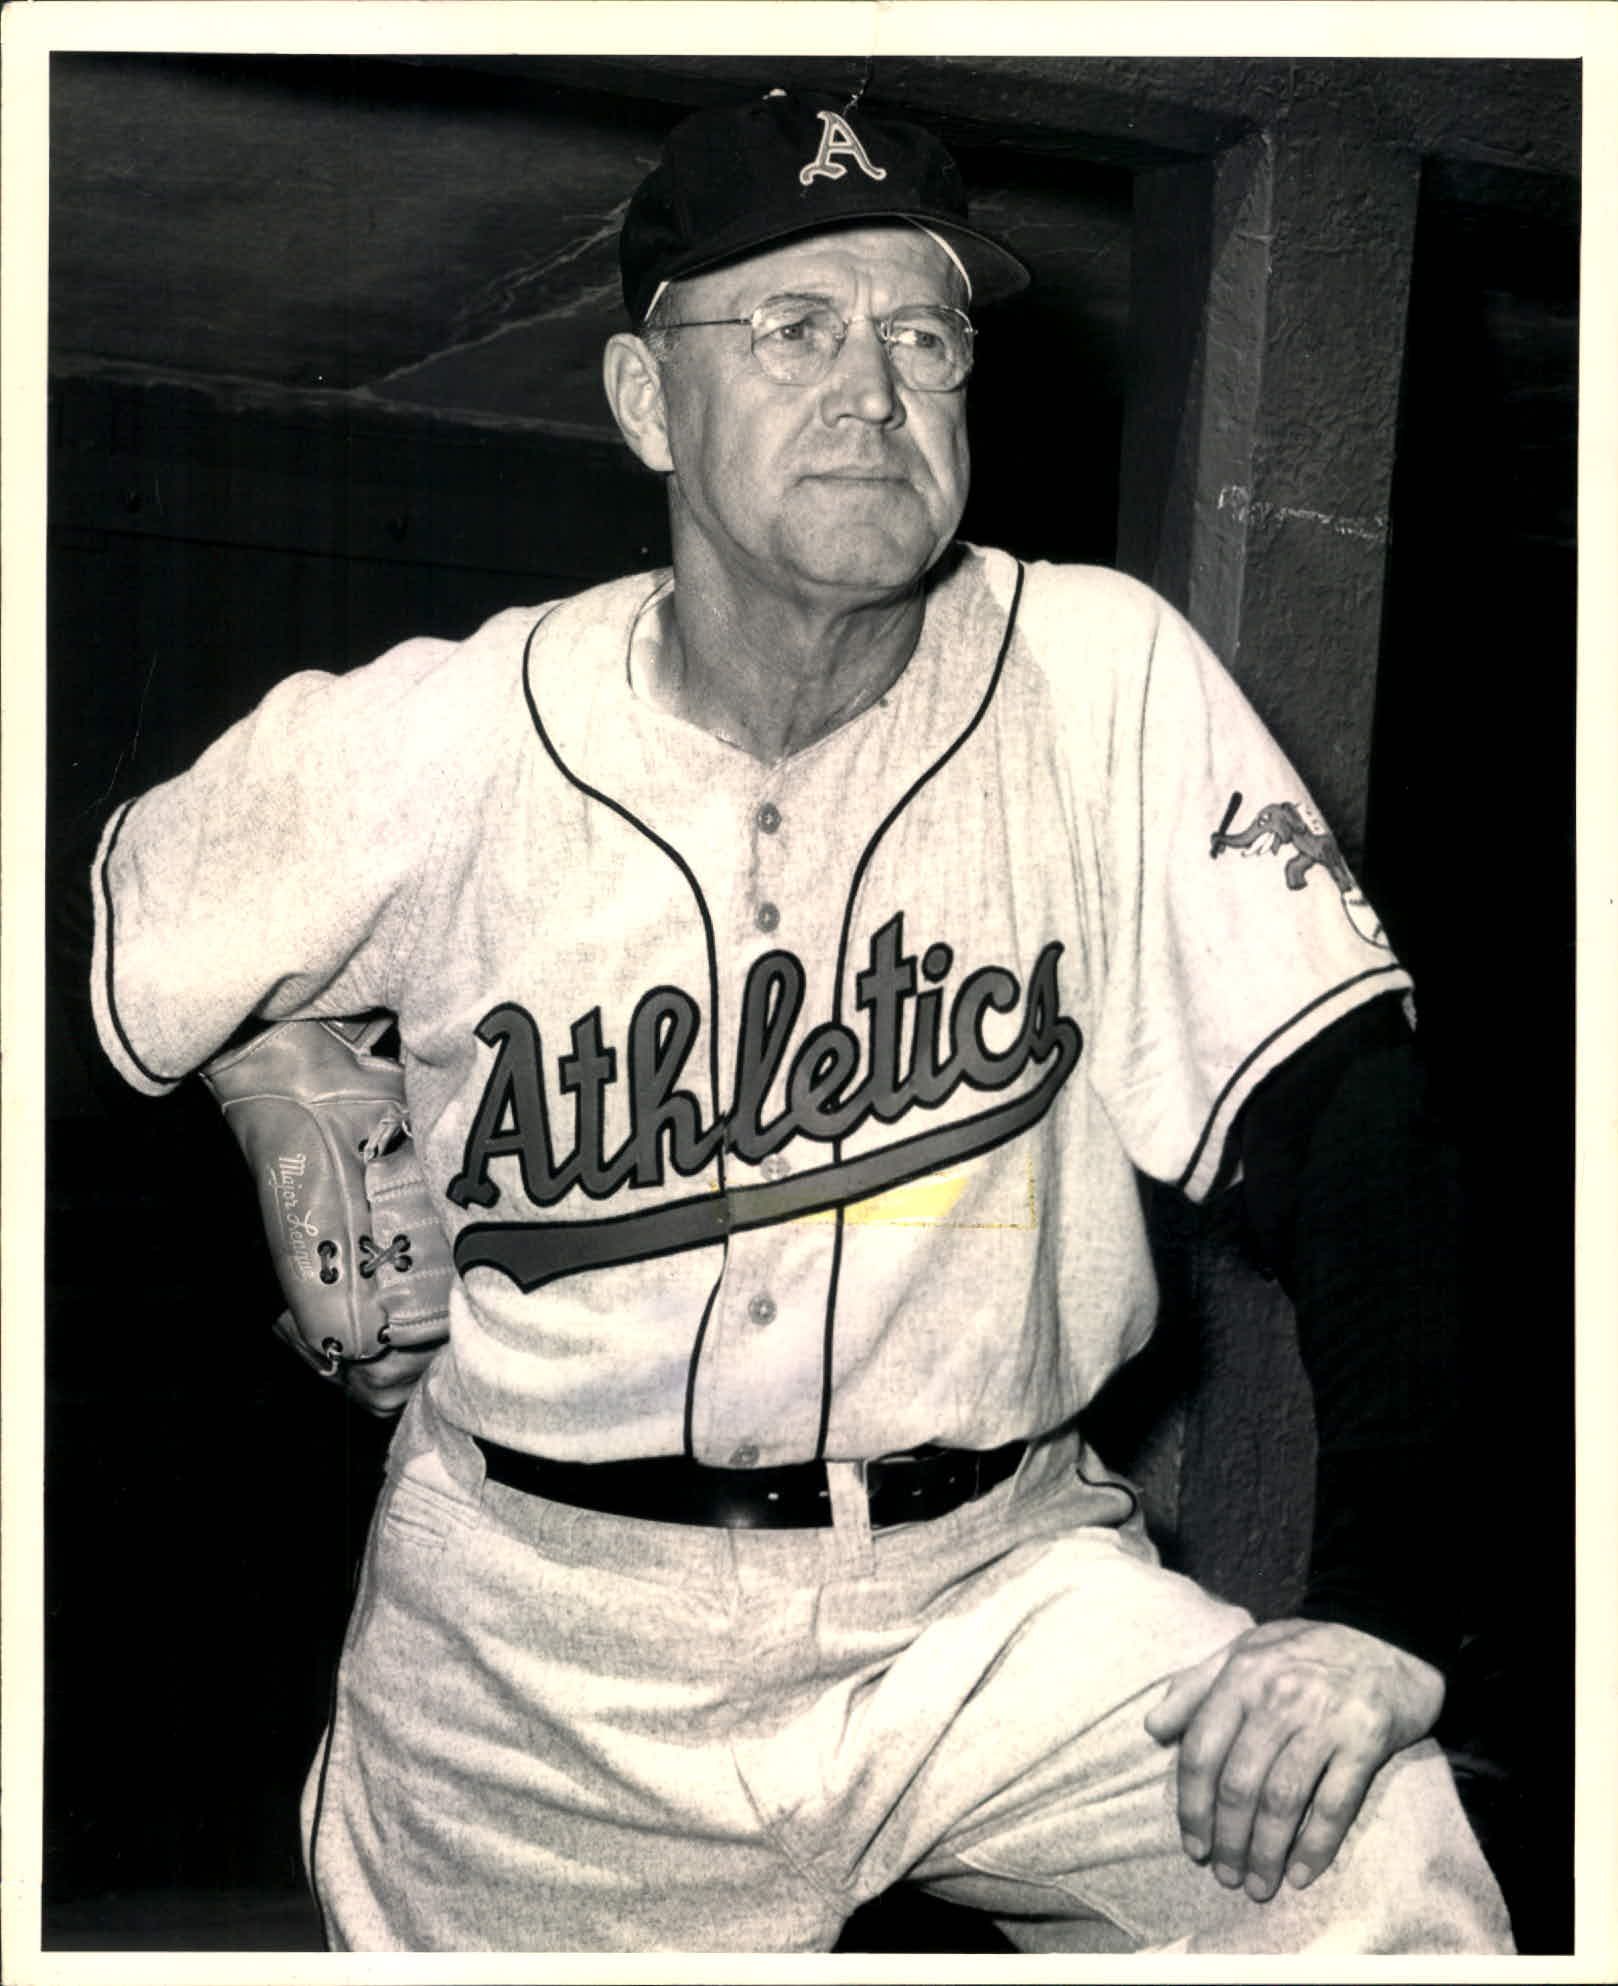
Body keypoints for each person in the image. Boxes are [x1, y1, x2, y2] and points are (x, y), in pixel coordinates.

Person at [84, 89, 1513, 1954]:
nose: (873, 388)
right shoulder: (444, 735)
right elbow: (112, 910)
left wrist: (1375, 1613)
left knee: (1371, 1847)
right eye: (792, 326)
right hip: (539, 1647)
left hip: (989, 1595)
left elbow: (1356, 1130)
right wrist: (271, 1066)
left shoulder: (1098, 674)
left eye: (925, 337)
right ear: (645, 401)